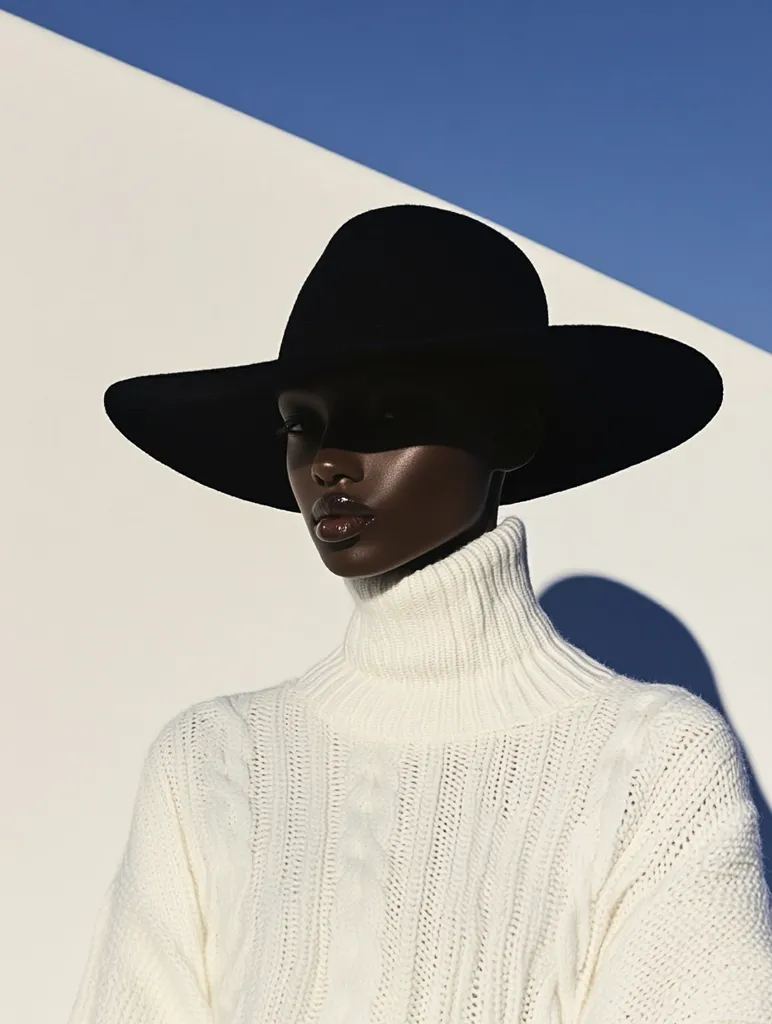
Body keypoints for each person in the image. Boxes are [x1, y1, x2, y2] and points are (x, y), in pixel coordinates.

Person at [68, 206, 772, 1023]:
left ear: (509, 430)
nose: (329, 461)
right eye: (303, 425)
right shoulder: (212, 761)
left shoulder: (653, 761)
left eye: (388, 416)